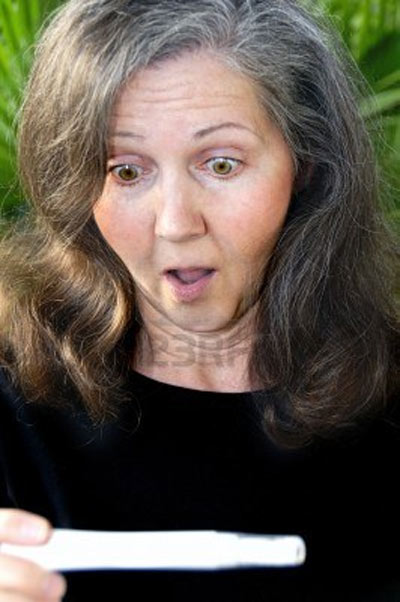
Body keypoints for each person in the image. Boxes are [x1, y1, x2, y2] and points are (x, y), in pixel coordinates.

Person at [0, 0, 398, 600]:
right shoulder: (12, 400)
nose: (176, 224)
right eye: (126, 172)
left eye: (221, 164)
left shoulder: (388, 398)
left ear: (307, 164)